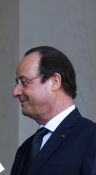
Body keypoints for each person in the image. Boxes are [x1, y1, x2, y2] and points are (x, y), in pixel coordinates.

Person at [10, 46, 96, 175]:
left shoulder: (91, 138)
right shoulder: (25, 149)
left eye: (24, 82)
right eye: (17, 83)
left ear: (55, 81)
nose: (15, 92)